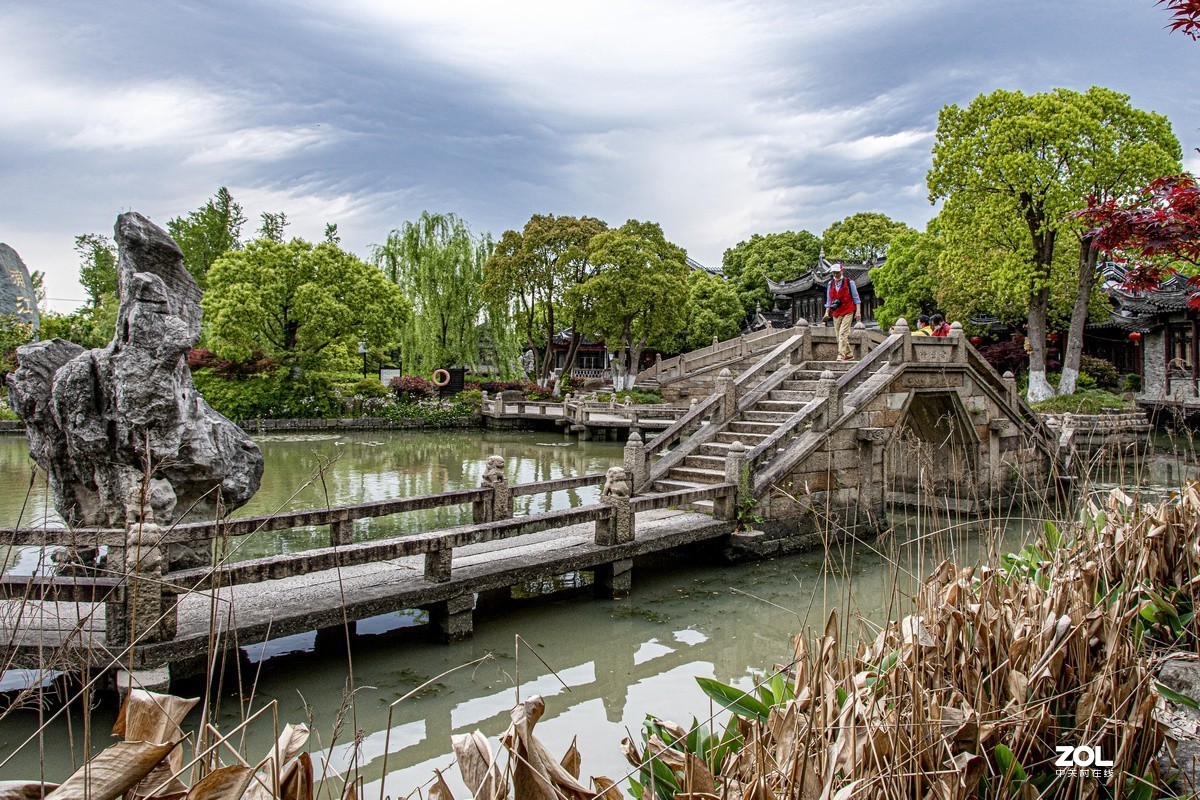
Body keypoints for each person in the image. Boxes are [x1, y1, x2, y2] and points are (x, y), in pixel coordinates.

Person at [821, 263, 861, 361]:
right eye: (834, 273)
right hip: (836, 312)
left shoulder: (849, 283)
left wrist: (858, 312)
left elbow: (856, 298)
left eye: (837, 272)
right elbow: (829, 301)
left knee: (843, 333)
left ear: (842, 272)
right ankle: (849, 354)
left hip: (848, 310)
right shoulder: (830, 284)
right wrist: (827, 312)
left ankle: (841, 354)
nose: (835, 275)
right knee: (838, 335)